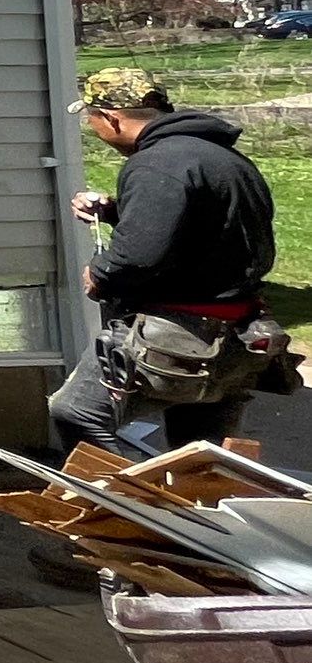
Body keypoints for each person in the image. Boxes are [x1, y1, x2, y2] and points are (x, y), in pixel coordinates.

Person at [49, 66, 285, 460]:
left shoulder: (156, 163)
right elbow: (202, 229)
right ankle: (196, 515)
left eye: (92, 120)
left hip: (176, 336)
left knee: (77, 413)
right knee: (199, 453)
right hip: (240, 336)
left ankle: (135, 506)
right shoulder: (223, 159)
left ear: (111, 118)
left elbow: (139, 255)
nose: (94, 130)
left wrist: (101, 273)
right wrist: (114, 211)